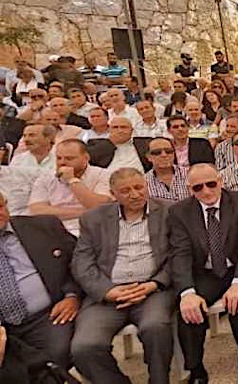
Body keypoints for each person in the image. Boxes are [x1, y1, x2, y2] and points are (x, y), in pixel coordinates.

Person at [70, 168, 174, 384]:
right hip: (108, 294)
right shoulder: (93, 219)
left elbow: (179, 256)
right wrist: (108, 291)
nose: (134, 194)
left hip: (152, 291)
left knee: (155, 328)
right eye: (125, 191)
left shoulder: (169, 212)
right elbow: (82, 263)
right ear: (113, 194)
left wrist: (154, 284)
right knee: (84, 346)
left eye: (139, 187)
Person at [168, 163, 238, 384]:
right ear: (190, 189)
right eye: (198, 187)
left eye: (211, 184)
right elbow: (180, 254)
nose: (206, 191)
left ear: (220, 181)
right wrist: (187, 292)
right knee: (189, 310)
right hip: (206, 272)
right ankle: (196, 369)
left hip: (236, 268)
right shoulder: (180, 212)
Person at [0, 192, 80, 380]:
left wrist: (72, 295)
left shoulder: (43, 226)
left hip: (48, 317)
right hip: (3, 328)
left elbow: (80, 262)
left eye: (0, 206)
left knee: (52, 359)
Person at [28, 139, 113, 236]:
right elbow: (37, 211)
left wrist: (72, 180)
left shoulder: (102, 175)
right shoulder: (46, 177)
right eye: (59, 158)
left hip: (90, 230)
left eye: (69, 159)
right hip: (53, 230)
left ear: (86, 158)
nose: (62, 162)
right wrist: (84, 212)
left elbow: (99, 206)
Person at [145, 137, 191, 201]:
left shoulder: (190, 174)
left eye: (168, 151)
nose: (164, 155)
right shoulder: (144, 182)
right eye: (157, 152)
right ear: (148, 157)